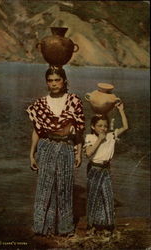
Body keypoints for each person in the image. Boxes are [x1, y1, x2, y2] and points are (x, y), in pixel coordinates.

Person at [26, 66, 85, 236]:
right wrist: (32, 154)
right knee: (45, 187)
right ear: (46, 83)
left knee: (64, 186)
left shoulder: (74, 101)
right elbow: (37, 131)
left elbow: (79, 131)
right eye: (50, 81)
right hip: (46, 146)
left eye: (57, 80)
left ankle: (64, 228)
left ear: (64, 80)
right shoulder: (40, 104)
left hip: (66, 147)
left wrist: (79, 152)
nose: (53, 84)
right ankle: (43, 227)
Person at [84, 102, 128, 232]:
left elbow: (125, 127)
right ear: (93, 126)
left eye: (105, 126)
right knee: (93, 196)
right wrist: (99, 140)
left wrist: (121, 110)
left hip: (106, 169)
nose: (103, 128)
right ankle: (91, 225)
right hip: (94, 169)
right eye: (99, 126)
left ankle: (109, 226)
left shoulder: (111, 135)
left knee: (107, 196)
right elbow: (88, 153)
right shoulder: (90, 137)